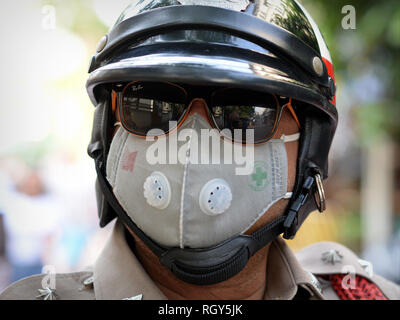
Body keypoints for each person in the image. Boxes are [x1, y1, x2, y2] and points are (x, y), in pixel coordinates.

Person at [1, 0, 399, 300]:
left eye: (246, 109)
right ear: (106, 135)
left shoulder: (363, 293)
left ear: (310, 152)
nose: (192, 142)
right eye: (151, 104)